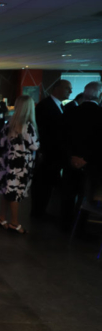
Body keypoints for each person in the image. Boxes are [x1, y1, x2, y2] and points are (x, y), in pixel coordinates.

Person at [61, 82, 102, 231]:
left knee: (68, 194)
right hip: (91, 164)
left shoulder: (70, 112)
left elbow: (62, 138)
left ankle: (65, 224)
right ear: (100, 96)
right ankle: (80, 226)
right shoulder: (100, 114)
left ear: (84, 94)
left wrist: (72, 157)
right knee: (87, 196)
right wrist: (86, 159)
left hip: (70, 161)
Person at [0, 96, 39, 234]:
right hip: (20, 164)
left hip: (6, 161)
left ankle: (2, 217)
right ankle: (14, 223)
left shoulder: (9, 123)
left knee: (6, 190)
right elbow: (34, 146)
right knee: (15, 192)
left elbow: (1, 144)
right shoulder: (27, 126)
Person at [31, 80, 72, 218]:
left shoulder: (59, 105)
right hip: (48, 153)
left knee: (48, 183)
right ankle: (38, 212)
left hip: (54, 154)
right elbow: (44, 131)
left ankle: (42, 211)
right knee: (43, 183)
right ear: (57, 88)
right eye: (67, 88)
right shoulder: (45, 106)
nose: (70, 91)